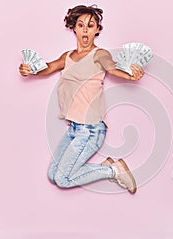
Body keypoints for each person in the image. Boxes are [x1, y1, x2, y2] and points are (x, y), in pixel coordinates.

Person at [18, 5, 144, 194]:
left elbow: (112, 68)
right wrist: (30, 70)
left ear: (97, 30)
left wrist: (130, 75)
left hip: (91, 129)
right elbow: (48, 67)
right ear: (74, 28)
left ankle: (112, 170)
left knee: (63, 179)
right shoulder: (67, 56)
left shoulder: (100, 55)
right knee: (53, 175)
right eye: (81, 24)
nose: (85, 29)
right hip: (74, 128)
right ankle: (108, 166)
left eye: (91, 25)